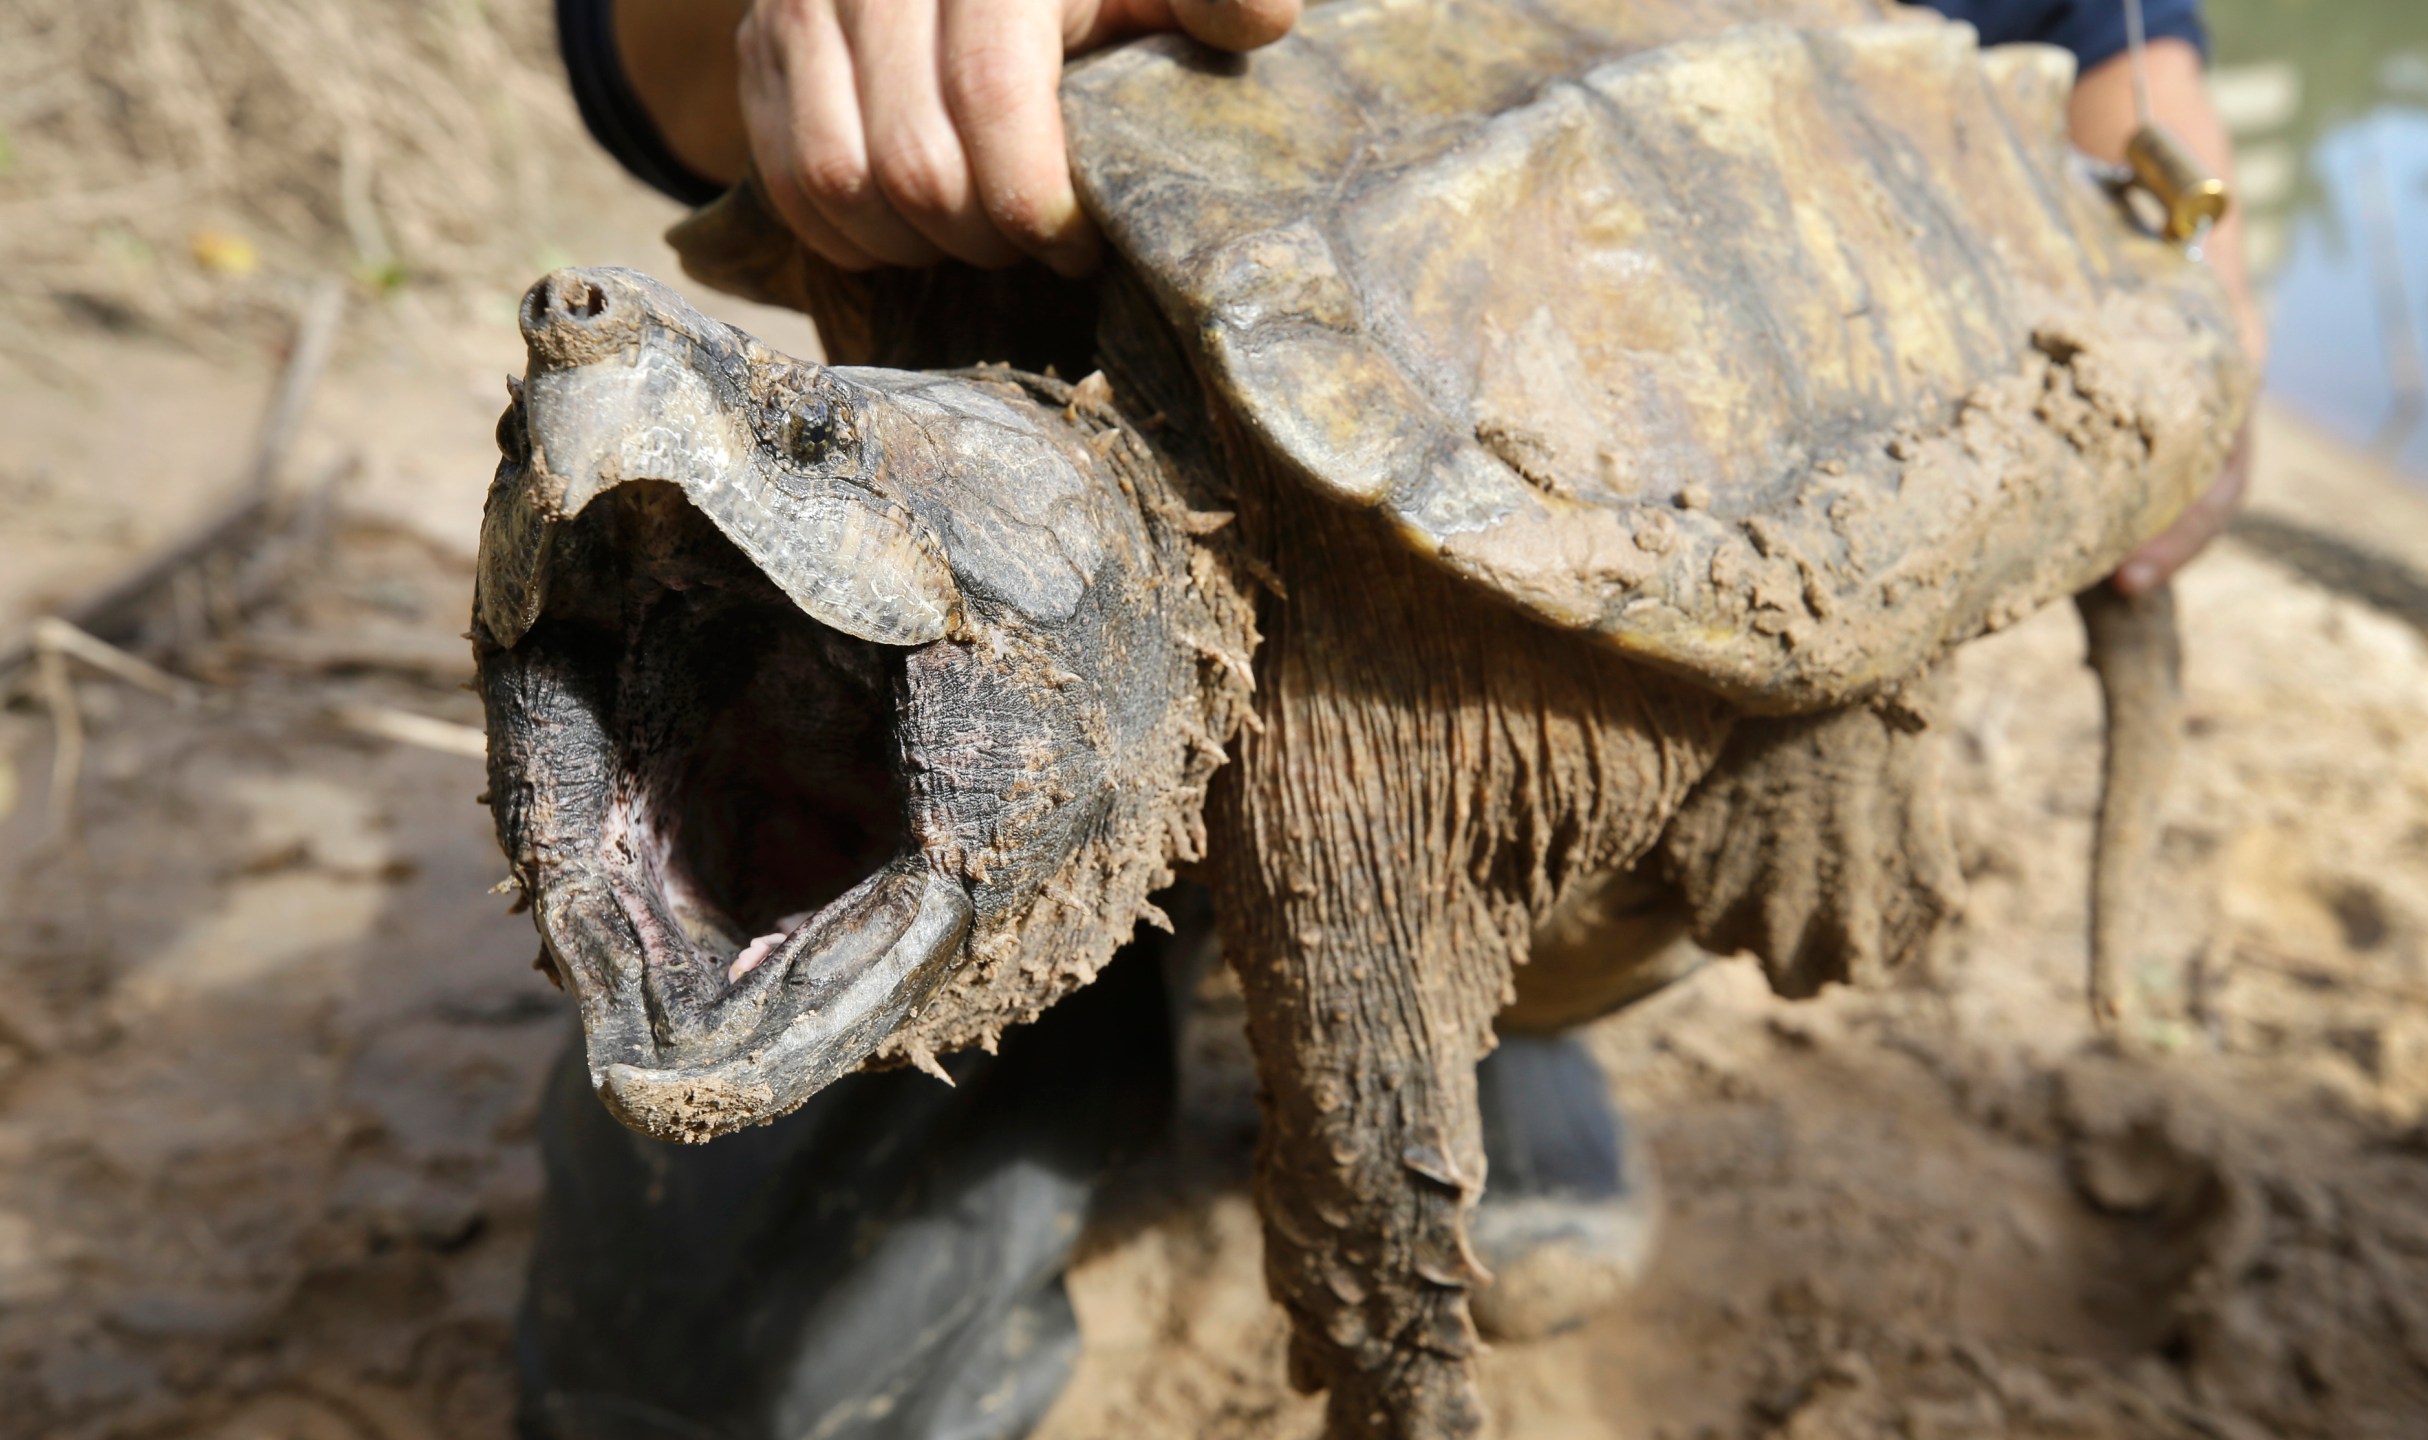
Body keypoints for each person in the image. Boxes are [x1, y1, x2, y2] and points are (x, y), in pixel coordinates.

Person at [526, 4, 2263, 1437]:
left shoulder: (1343, 795)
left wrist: (2185, 303)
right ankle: (936, 860)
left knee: (1419, 866)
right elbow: (646, 63)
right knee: (697, 1394)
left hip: (1534, 644)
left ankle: (1522, 985)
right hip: (1044, 203)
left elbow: (2135, 135)